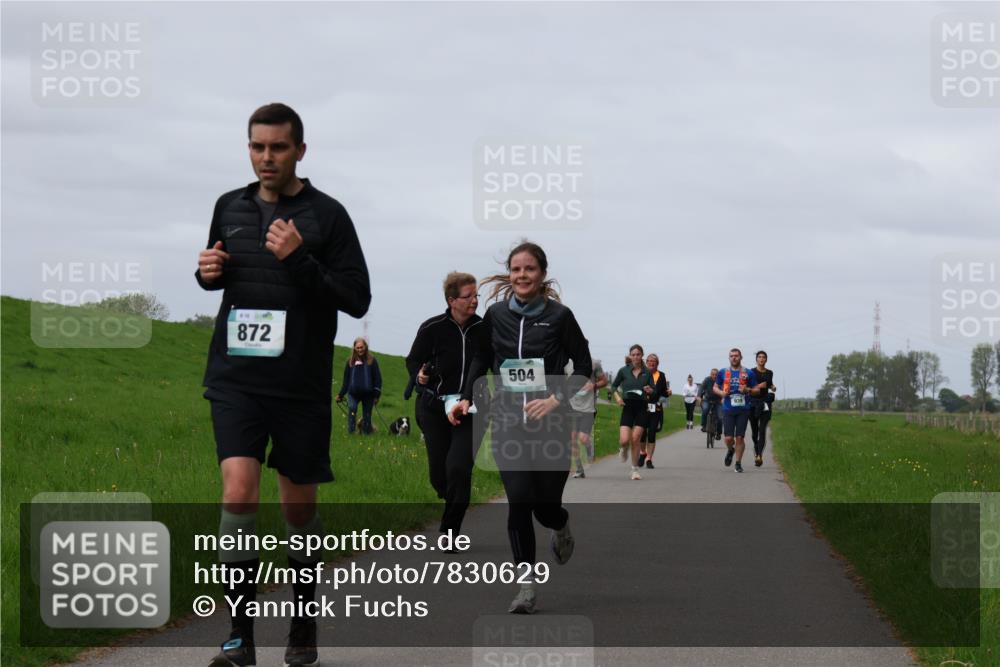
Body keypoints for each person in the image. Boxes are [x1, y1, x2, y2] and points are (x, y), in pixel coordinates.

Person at [196, 103, 371, 667]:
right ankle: (239, 636)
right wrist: (205, 273)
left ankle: (302, 620)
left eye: (277, 147)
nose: (266, 157)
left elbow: (356, 298)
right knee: (237, 493)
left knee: (298, 514)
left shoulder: (329, 216)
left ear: (300, 149)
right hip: (236, 378)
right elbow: (216, 271)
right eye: (256, 147)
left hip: (298, 385)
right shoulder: (229, 206)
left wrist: (300, 260)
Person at [450, 241, 591, 615]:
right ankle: (525, 586)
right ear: (509, 274)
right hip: (510, 421)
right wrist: (466, 395)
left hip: (552, 425)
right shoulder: (495, 315)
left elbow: (583, 366)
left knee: (545, 508)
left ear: (542, 274)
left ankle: (560, 525)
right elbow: (481, 356)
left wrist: (555, 400)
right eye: (516, 269)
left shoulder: (561, 317)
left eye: (529, 269)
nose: (522, 275)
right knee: (519, 501)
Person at [406, 272, 491, 539]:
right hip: (433, 408)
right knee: (439, 476)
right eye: (469, 297)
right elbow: (413, 360)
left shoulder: (483, 329)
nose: (475, 301)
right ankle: (452, 495)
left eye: (477, 295)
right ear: (452, 300)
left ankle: (451, 530)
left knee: (459, 467)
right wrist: (419, 377)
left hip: (472, 409)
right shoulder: (432, 327)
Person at [713, 349, 764, 473]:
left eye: (736, 356)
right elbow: (715, 387)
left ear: (741, 357)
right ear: (729, 358)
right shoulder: (723, 372)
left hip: (743, 409)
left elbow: (757, 389)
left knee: (740, 438)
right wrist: (722, 393)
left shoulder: (748, 373)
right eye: (731, 356)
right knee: (728, 438)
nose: (734, 358)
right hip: (728, 408)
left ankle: (738, 463)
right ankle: (730, 449)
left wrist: (748, 390)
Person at [610, 345, 654, 480]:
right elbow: (613, 387)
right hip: (627, 406)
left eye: (638, 354)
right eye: (633, 354)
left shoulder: (647, 372)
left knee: (635, 439)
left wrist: (650, 390)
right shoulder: (623, 371)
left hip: (642, 407)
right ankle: (623, 449)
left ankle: (634, 470)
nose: (635, 357)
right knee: (624, 440)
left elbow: (653, 390)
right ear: (630, 356)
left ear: (642, 356)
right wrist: (617, 398)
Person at [568, 358, 606, 479]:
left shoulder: (594, 363)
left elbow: (604, 381)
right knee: (572, 438)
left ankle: (589, 446)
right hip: (572, 407)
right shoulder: (566, 363)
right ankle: (579, 470)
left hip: (588, 408)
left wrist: (593, 385)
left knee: (583, 439)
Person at [335, 337, 382, 434]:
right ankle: (351, 433)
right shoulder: (350, 362)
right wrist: (340, 395)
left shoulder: (372, 361)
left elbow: (378, 379)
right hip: (353, 393)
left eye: (361, 347)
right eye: (358, 348)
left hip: (368, 394)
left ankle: (367, 434)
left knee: (367, 416)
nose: (360, 349)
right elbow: (346, 381)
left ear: (365, 347)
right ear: (354, 348)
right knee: (352, 408)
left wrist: (376, 396)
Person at [638, 353, 670, 469]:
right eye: (649, 361)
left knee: (651, 433)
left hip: (655, 408)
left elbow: (664, 392)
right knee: (642, 433)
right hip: (642, 406)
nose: (651, 363)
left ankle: (649, 459)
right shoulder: (641, 374)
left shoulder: (661, 376)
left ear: (657, 363)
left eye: (653, 361)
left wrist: (668, 393)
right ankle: (642, 452)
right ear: (646, 363)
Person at [748, 350, 776, 467]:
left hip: (765, 403)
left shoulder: (770, 372)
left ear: (766, 359)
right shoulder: (751, 372)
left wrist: (773, 387)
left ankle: (759, 455)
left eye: (763, 357)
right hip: (753, 403)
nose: (761, 359)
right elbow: (747, 387)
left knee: (762, 430)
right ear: (756, 359)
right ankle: (756, 449)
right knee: (755, 432)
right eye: (759, 357)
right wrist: (759, 386)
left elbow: (769, 383)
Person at [698, 368, 722, 444]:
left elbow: (725, 389)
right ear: (710, 374)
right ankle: (704, 426)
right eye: (713, 374)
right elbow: (701, 387)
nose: (714, 376)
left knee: (720, 417)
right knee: (705, 409)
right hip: (707, 400)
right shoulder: (707, 380)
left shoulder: (720, 381)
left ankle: (718, 433)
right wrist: (699, 396)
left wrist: (723, 398)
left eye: (716, 374)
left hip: (718, 401)